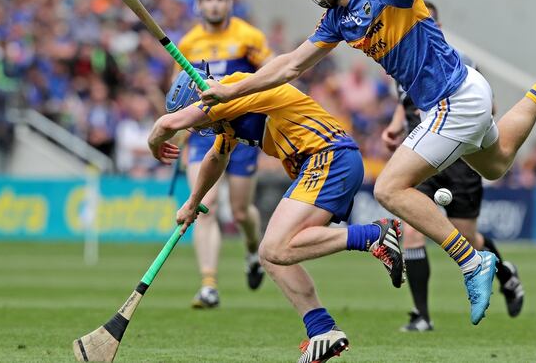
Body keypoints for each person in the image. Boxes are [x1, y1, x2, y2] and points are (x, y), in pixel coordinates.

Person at [199, 0, 536, 326]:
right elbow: (291, 65)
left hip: (453, 98)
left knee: (388, 188)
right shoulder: (336, 20)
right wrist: (231, 90)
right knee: (499, 161)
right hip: (457, 97)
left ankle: (473, 263)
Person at [148, 69, 404, 362]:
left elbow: (166, 125)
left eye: (194, 111)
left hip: (328, 157)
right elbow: (215, 158)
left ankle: (374, 235)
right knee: (272, 254)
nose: (199, 125)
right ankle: (322, 331)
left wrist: (154, 143)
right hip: (326, 162)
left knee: (274, 247)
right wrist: (193, 202)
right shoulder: (230, 115)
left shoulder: (234, 89)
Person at [381, 0, 524, 332]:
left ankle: (507, 276)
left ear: (438, 28)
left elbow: (488, 107)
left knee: (467, 237)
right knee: (413, 233)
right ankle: (421, 316)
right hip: (423, 157)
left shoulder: (460, 60)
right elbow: (407, 104)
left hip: (459, 160)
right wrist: (394, 125)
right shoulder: (403, 61)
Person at [173, 0, 273, 308]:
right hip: (203, 135)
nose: (214, 4)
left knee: (242, 211)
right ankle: (209, 285)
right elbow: (180, 96)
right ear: (199, 5)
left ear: (229, 2)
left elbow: (271, 75)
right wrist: (176, 134)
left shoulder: (249, 37)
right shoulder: (188, 44)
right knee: (206, 206)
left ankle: (251, 252)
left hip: (242, 131)